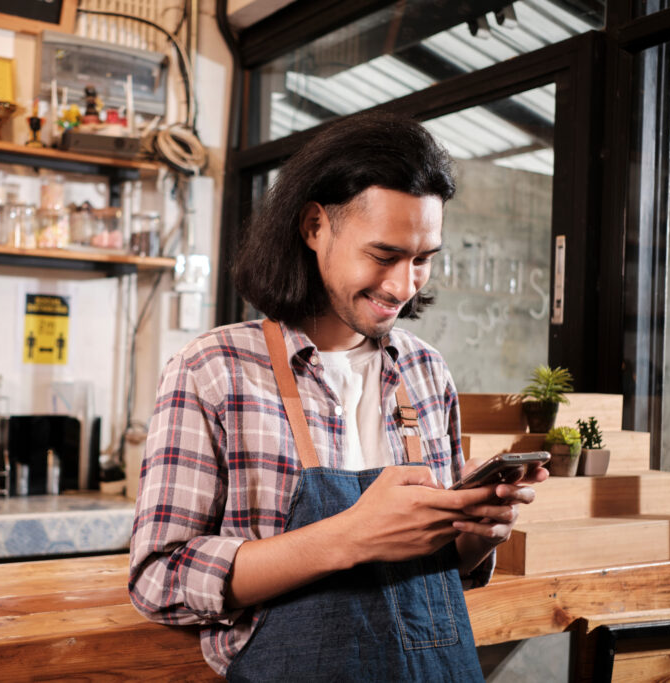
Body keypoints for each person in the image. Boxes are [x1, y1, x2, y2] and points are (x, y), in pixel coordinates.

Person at [129, 109, 547, 681]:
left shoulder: (426, 372)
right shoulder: (214, 370)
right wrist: (348, 537)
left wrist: (474, 535)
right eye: (383, 256)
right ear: (314, 228)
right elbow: (160, 578)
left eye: (422, 260)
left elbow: (440, 574)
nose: (403, 286)